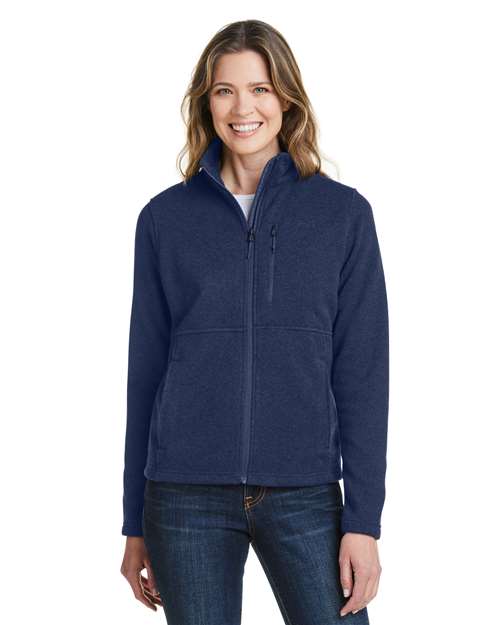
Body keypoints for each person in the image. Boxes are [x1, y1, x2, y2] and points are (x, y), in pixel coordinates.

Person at [120, 19, 389, 625]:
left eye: (260, 89)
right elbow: (146, 373)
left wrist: (364, 520)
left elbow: (363, 374)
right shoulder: (164, 220)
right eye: (225, 90)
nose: (243, 108)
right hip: (184, 496)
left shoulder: (343, 216)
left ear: (286, 99)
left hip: (305, 492)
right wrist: (134, 522)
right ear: (206, 102)